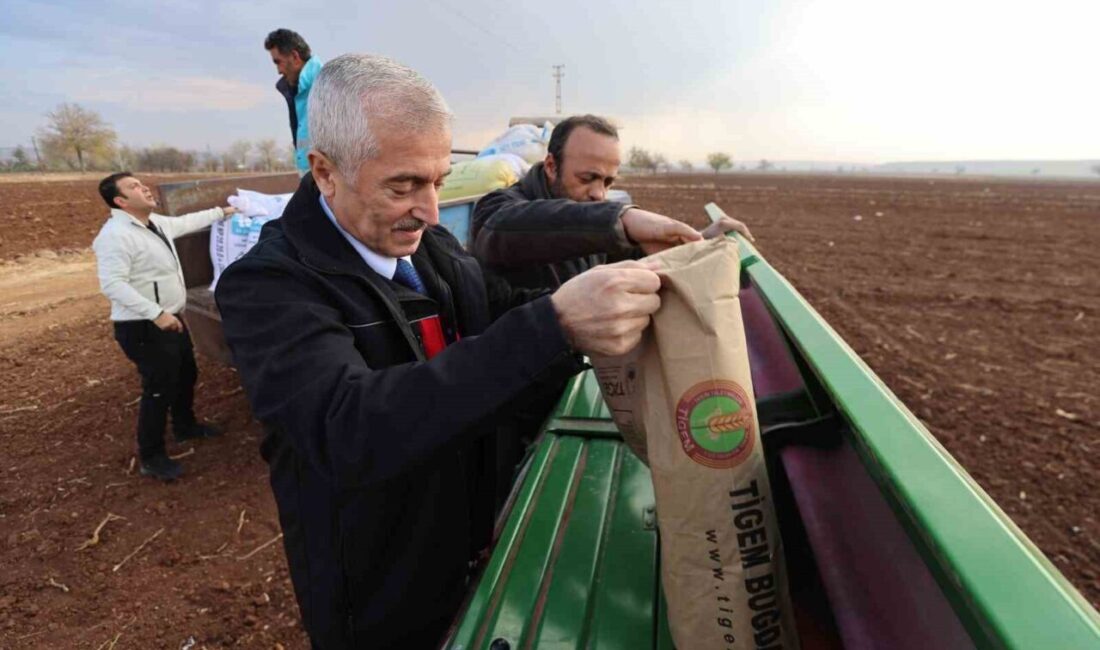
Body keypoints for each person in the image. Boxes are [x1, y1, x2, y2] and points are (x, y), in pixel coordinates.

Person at [215, 54, 668, 648]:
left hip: (467, 540)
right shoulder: (270, 287)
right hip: (382, 590)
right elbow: (349, 426)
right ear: (325, 171)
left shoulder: (431, 251)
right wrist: (552, 324)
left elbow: (502, 308)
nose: (430, 211)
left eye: (437, 182)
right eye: (402, 185)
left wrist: (613, 291)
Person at [471, 114, 754, 289]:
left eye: (608, 182)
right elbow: (504, 228)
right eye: (587, 178)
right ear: (551, 166)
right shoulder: (497, 209)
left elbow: (639, 258)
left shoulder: (593, 220)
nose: (599, 194)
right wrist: (621, 218)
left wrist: (700, 242)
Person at [92, 173, 237, 481]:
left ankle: (185, 426)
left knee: (186, 373)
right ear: (120, 201)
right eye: (133, 187)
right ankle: (152, 455)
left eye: (141, 183)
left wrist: (224, 212)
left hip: (170, 318)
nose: (143, 187)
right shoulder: (116, 236)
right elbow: (112, 284)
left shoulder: (154, 223)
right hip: (143, 326)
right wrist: (156, 313)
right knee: (158, 389)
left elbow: (186, 222)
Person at [265, 28, 322, 175]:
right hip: (311, 178)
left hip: (328, 182)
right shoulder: (296, 90)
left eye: (278, 62)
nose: (278, 70)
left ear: (295, 57)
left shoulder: (328, 83)